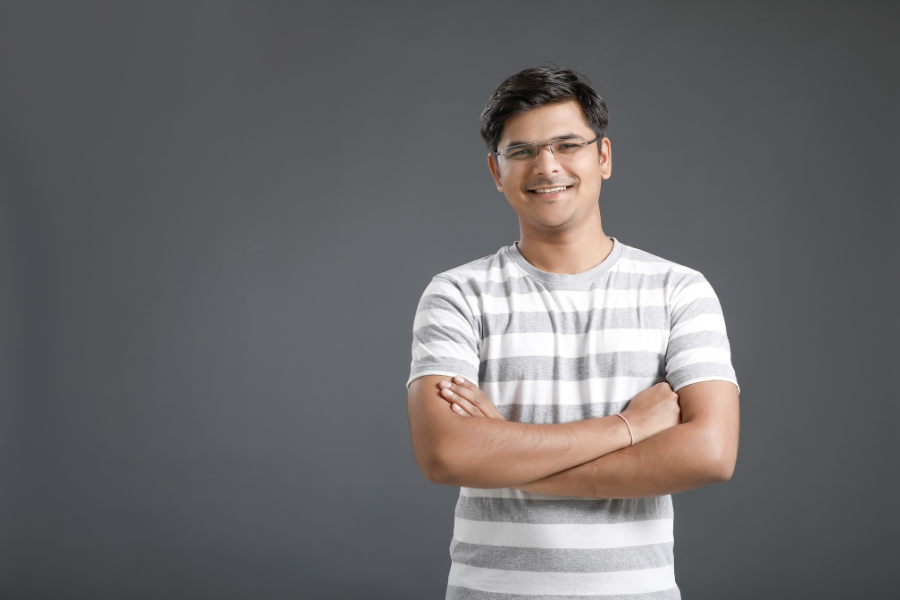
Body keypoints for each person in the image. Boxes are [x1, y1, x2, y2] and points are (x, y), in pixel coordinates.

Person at [405, 66, 740, 600]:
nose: (547, 166)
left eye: (567, 144)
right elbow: (446, 454)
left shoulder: (678, 290)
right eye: (522, 151)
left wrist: (508, 457)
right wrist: (627, 426)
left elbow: (710, 453)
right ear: (496, 170)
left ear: (603, 157)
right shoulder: (457, 294)